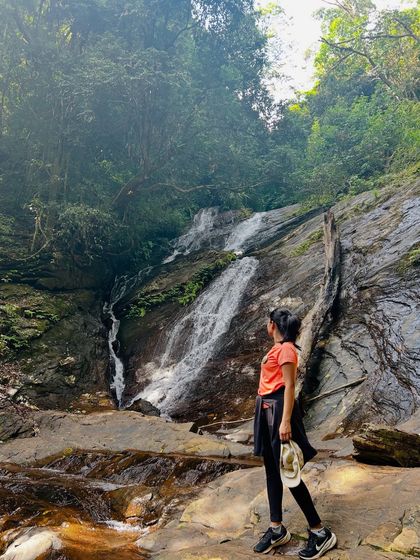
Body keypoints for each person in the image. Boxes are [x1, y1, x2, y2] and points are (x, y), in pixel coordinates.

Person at [252, 308, 337, 558]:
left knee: (288, 471)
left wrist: (285, 421)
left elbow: (289, 386)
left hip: (279, 410)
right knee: (271, 470)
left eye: (267, 322)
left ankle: (320, 532)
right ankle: (276, 529)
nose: (266, 325)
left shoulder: (287, 349)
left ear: (273, 325)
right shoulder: (277, 348)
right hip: (266, 409)